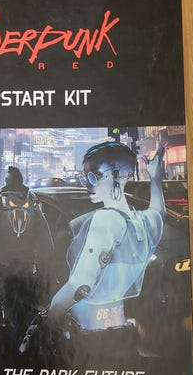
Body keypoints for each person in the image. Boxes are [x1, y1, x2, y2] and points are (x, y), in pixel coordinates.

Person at [47, 141, 166, 356]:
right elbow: (158, 211)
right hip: (122, 328)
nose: (88, 184)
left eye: (94, 177)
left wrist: (51, 314)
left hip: (90, 335)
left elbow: (82, 284)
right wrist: (155, 178)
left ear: (119, 176)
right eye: (86, 177)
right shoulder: (145, 222)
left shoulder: (107, 219)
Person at [0, 166, 55, 354]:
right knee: (22, 305)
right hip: (26, 264)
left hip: (1, 262)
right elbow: (45, 238)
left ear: (8, 181)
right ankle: (21, 341)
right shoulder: (33, 202)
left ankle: (2, 339)